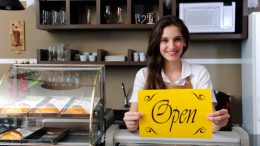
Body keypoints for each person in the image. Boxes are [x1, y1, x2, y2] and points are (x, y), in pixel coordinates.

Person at [123, 15, 230, 132]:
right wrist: (131, 122)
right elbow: (133, 125)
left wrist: (219, 122)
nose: (171, 46)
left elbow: (210, 126)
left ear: (184, 41)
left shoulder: (200, 72)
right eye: (164, 40)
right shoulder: (143, 75)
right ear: (157, 43)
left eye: (177, 39)